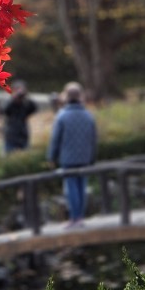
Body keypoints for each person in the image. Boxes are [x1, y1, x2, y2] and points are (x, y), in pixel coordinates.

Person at [47, 82, 97, 228]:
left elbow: (55, 139)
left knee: (71, 189)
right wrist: (92, 158)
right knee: (82, 187)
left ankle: (74, 218)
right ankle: (80, 217)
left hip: (68, 158)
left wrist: (51, 157)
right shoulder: (88, 116)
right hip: (85, 158)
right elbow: (93, 140)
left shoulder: (62, 116)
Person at [1, 80, 36, 154]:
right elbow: (4, 110)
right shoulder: (9, 101)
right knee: (9, 157)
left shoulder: (25, 102)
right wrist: (14, 98)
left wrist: (26, 97)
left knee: (24, 157)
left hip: (23, 134)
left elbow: (34, 108)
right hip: (11, 135)